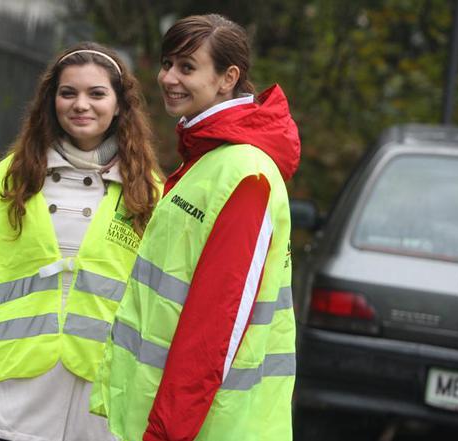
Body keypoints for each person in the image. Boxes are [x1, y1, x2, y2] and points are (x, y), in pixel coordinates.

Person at [91, 14, 301, 441]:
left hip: (209, 428)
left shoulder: (245, 174)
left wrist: (166, 433)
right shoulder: (210, 159)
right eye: (168, 64)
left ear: (229, 77)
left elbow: (215, 328)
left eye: (187, 67)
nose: (169, 77)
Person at [0, 42, 163, 441]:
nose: (80, 104)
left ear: (121, 105)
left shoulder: (148, 194)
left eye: (97, 93)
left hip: (97, 396)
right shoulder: (12, 178)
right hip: (6, 389)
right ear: (50, 101)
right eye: (68, 93)